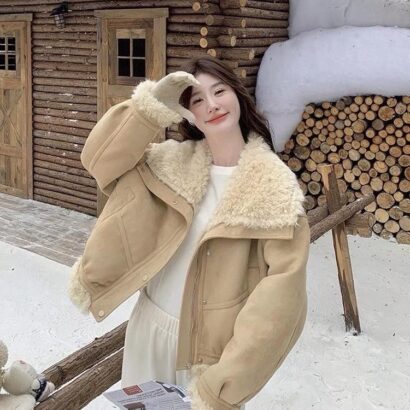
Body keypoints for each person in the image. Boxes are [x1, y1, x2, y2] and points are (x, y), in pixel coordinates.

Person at [69, 56, 310, 410]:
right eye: (197, 99)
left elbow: (281, 305)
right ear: (188, 114)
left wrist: (224, 383)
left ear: (238, 95)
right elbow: (98, 160)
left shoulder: (275, 190)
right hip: (148, 330)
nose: (211, 104)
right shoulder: (167, 164)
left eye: (219, 91)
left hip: (208, 357)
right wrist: (149, 109)